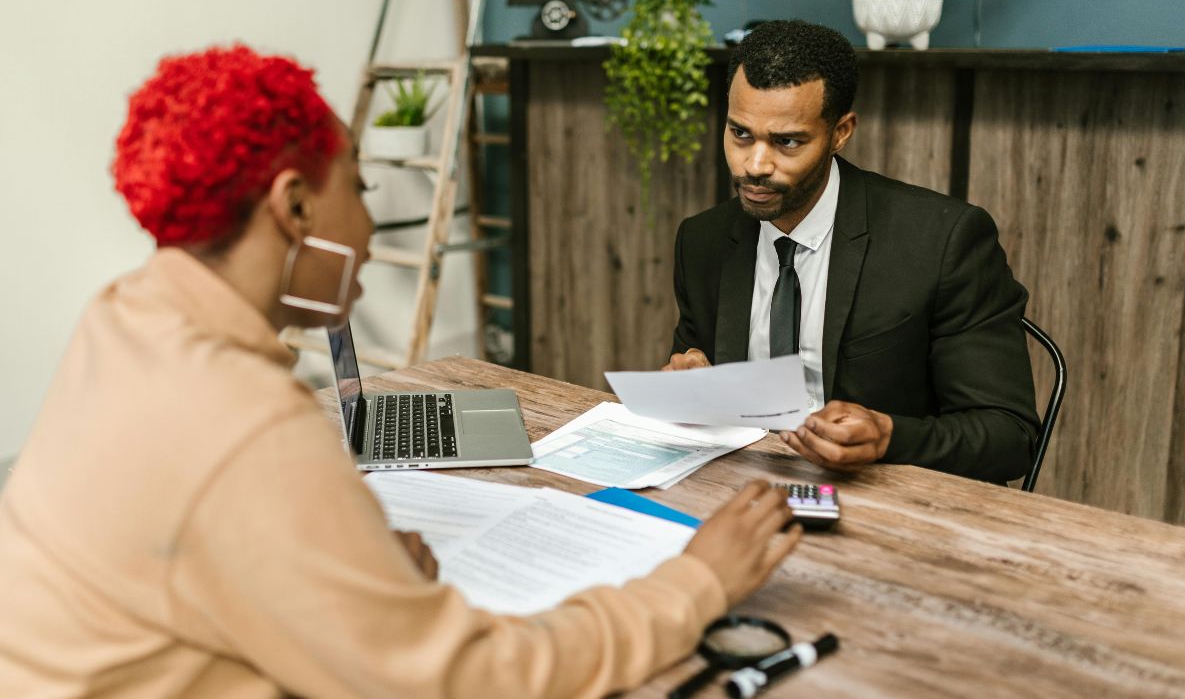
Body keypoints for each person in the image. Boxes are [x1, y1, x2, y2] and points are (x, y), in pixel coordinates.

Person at [0, 45, 801, 699]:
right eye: (361, 184)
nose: (371, 214)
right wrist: (693, 585)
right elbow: (472, 680)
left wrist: (347, 575)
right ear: (295, 207)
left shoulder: (124, 316)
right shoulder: (245, 422)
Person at [665, 21, 1039, 484]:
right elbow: (697, 385)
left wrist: (889, 438)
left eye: (787, 142)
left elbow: (1009, 437)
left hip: (888, 498)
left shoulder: (942, 241)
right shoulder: (704, 242)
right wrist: (686, 387)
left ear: (841, 132)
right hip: (743, 489)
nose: (755, 165)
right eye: (741, 134)